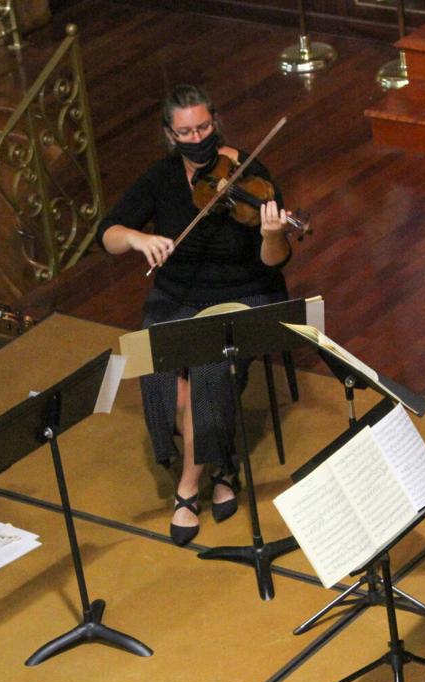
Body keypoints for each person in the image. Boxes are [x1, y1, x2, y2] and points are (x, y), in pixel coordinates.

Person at [96, 84, 294, 546]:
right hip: (178, 294)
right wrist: (139, 240)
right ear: (170, 134)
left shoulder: (251, 173)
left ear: (215, 121)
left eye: (203, 127)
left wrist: (271, 234)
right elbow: (108, 233)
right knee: (162, 372)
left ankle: (187, 489)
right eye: (185, 131)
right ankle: (222, 464)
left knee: (207, 370)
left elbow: (275, 261)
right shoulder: (160, 178)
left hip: (244, 292)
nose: (197, 137)